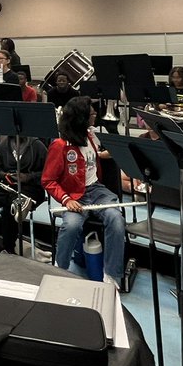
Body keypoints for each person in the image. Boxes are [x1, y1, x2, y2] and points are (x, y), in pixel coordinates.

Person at [43, 96, 126, 282]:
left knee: (116, 219)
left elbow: (91, 160)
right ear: (82, 117)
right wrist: (66, 200)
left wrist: (117, 151)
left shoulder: (90, 136)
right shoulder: (60, 145)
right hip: (73, 195)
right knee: (71, 226)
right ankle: (59, 271)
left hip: (97, 191)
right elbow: (48, 180)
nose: (95, 114)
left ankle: (111, 277)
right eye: (92, 112)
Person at [0, 132, 47, 254]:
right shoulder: (4, 145)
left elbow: (47, 173)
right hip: (8, 187)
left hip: (32, 189)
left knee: (9, 208)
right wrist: (5, 175)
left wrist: (28, 177)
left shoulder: (38, 146)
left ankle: (8, 249)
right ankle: (19, 204)